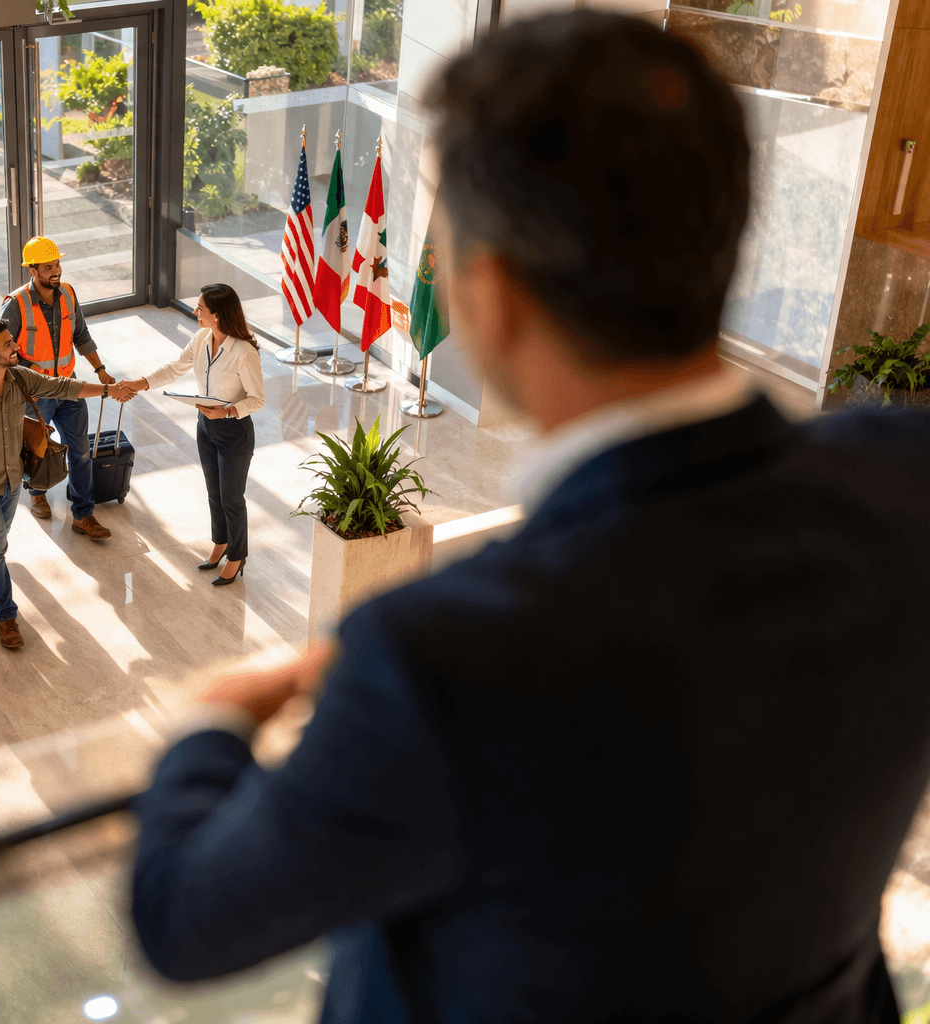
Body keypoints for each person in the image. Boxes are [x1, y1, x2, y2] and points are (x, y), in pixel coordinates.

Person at [129, 12, 930, 1024]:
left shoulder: (438, 661)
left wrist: (214, 716)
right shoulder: (904, 488)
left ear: (490, 296)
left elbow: (181, 918)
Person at [0, 319, 128, 650]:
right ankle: (6, 616)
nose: (16, 348)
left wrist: (108, 390)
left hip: (14, 480)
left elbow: (63, 387)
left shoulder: (19, 378)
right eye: (8, 344)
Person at [121, 284, 264, 585]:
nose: (195, 312)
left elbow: (257, 399)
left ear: (218, 315)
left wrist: (227, 411)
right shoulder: (201, 338)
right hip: (205, 427)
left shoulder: (244, 352)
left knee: (231, 498)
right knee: (214, 493)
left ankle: (237, 556)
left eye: (201, 308)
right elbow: (176, 368)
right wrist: (141, 383)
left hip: (233, 431)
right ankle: (220, 543)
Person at [1, 236, 117, 538]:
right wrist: (32, 369)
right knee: (40, 450)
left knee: (80, 451)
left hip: (68, 387)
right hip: (35, 394)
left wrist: (100, 369)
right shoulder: (16, 305)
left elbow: (81, 334)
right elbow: (3, 351)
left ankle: (83, 513)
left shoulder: (67, 295)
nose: (56, 271)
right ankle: (37, 492)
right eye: (49, 267)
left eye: (57, 264)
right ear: (33, 270)